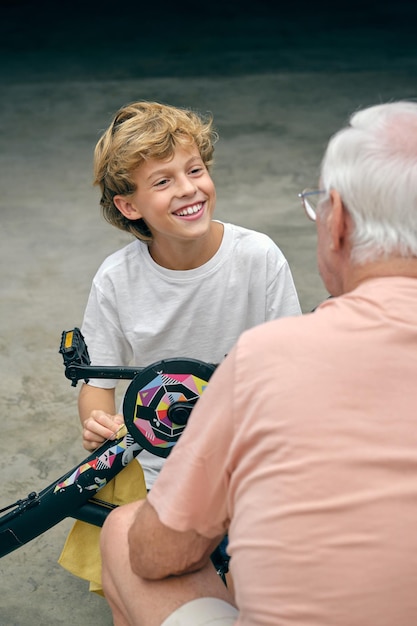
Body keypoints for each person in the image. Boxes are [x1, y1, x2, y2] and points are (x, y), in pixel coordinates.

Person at [99, 99, 417, 626]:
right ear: (128, 204)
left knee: (126, 532)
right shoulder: (118, 279)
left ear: (337, 223)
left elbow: (160, 554)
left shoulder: (266, 356)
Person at [58, 100, 301, 593]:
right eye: (163, 181)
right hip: (155, 466)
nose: (189, 188)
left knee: (246, 590)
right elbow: (96, 385)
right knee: (150, 582)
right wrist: (97, 420)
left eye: (195, 170)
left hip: (246, 460)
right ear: (129, 206)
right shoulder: (116, 280)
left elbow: (292, 374)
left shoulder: (258, 258)